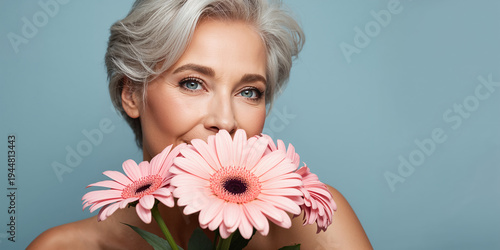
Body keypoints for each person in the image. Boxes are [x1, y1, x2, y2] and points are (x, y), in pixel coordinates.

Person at [28, 0, 372, 249]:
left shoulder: (313, 228)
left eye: (249, 91)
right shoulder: (62, 246)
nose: (225, 120)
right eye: (192, 83)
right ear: (131, 94)